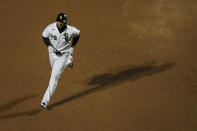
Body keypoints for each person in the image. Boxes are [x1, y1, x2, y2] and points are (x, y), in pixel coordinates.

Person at [40, 13, 80, 109]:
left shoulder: (70, 29)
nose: (62, 24)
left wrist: (72, 47)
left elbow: (78, 33)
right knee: (54, 69)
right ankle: (69, 60)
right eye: (61, 22)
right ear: (57, 21)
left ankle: (45, 101)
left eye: (64, 23)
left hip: (63, 55)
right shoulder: (50, 28)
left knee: (54, 77)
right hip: (52, 55)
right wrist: (49, 46)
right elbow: (44, 36)